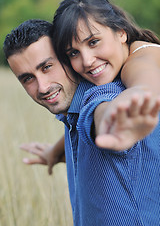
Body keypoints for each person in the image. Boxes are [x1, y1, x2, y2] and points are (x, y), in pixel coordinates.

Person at [3, 19, 160, 226]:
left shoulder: (105, 97)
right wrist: (55, 152)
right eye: (27, 78)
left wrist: (110, 124)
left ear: (69, 58)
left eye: (47, 67)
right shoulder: (72, 110)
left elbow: (100, 113)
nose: (42, 87)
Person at [52, 0, 160, 149]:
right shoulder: (120, 60)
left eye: (93, 42)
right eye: (73, 53)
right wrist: (54, 152)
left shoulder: (138, 60)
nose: (87, 61)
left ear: (121, 32)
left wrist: (132, 100)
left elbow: (145, 84)